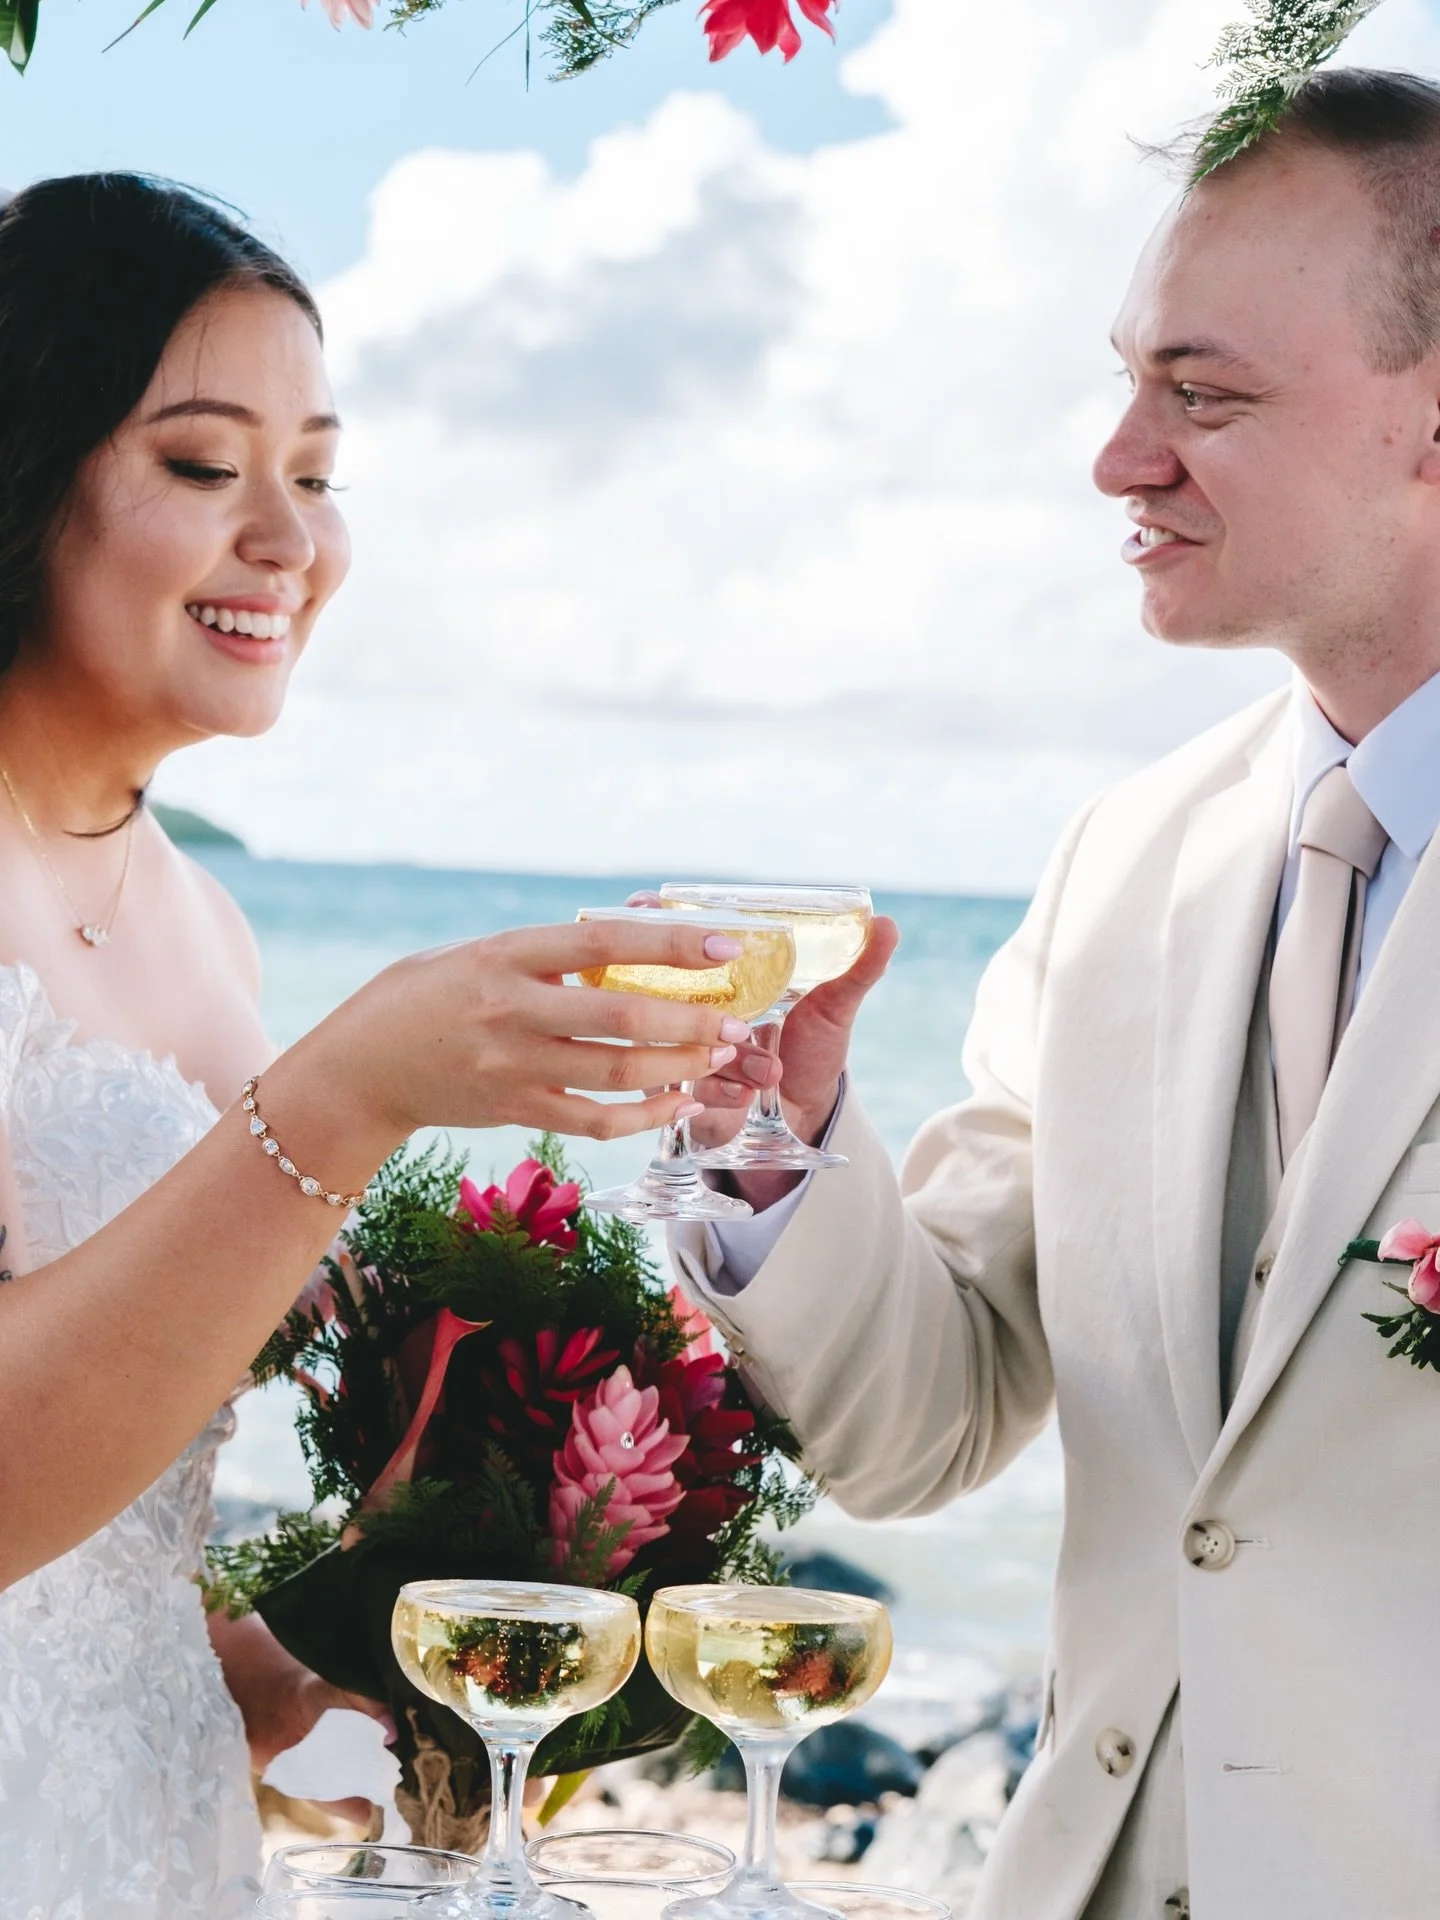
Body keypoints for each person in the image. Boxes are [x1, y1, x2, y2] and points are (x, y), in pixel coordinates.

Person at [673, 67, 1440, 1920]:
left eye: (1205, 392)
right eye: (1127, 381)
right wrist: (782, 1152)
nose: (1121, 456)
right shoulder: (1125, 862)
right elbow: (934, 1414)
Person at [0, 171, 763, 1918]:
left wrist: (292, 1681)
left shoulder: (206, 921)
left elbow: (104, 1530)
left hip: (146, 1834)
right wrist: (348, 1094)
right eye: (204, 467)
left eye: (319, 475)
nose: (293, 540)